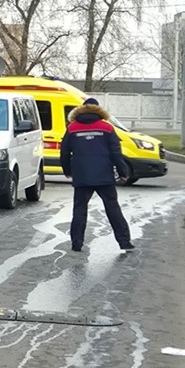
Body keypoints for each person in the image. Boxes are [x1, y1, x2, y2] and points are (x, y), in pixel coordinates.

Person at [60, 97, 134, 253]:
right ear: (98, 110)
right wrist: (123, 173)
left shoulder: (72, 128)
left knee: (79, 209)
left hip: (82, 175)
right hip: (104, 176)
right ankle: (124, 242)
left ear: (81, 109)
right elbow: (116, 152)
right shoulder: (106, 127)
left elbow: (65, 152)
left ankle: (77, 243)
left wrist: (67, 170)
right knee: (113, 208)